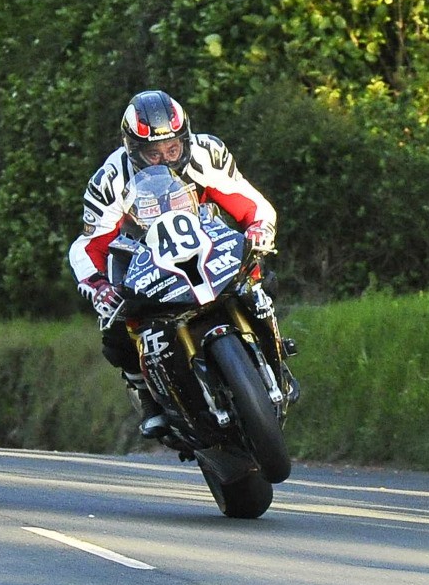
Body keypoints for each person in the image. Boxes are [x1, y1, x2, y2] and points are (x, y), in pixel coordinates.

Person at [68, 90, 278, 439]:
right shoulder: (109, 181)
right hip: (143, 257)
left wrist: (258, 228)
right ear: (132, 148)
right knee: (115, 328)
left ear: (185, 139)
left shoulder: (206, 153)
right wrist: (98, 285)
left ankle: (271, 341)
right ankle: (146, 394)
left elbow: (249, 201)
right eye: (153, 153)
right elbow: (88, 246)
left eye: (172, 149)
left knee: (262, 277)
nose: (164, 160)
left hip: (209, 243)